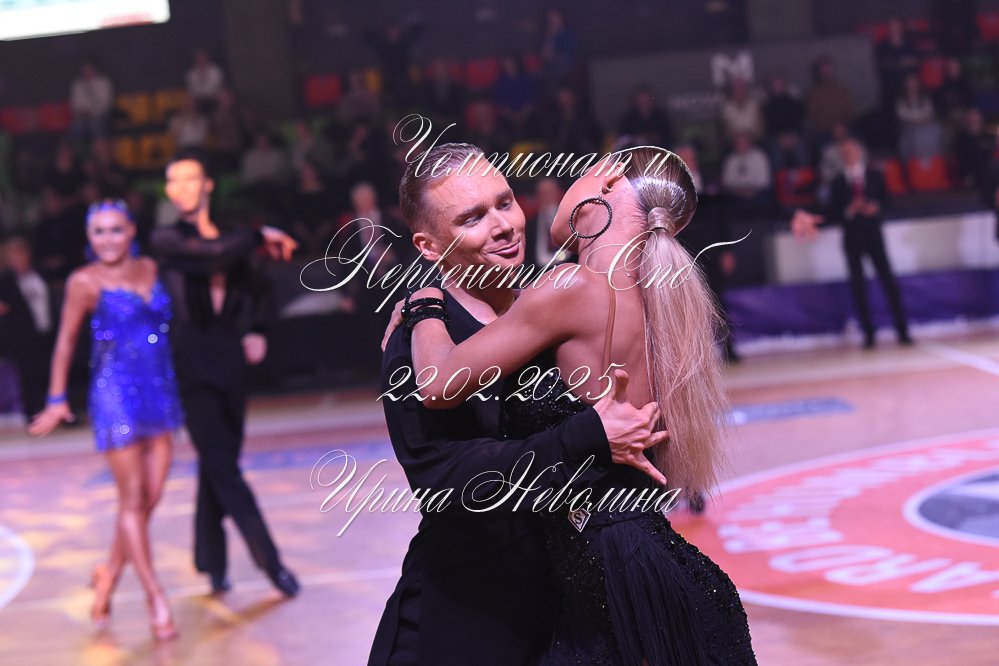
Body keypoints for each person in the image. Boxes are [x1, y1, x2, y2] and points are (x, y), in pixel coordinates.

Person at [406, 146, 756, 664]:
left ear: (604, 186)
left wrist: (423, 308)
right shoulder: (658, 293)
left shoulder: (569, 287)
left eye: (583, 173)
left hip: (614, 590)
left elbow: (438, 384)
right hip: (647, 570)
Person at [369, 143, 668, 665]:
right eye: (472, 218)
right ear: (429, 245)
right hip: (470, 618)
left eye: (505, 202)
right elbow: (440, 476)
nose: (504, 226)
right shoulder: (418, 340)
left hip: (571, 615)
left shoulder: (552, 302)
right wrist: (585, 439)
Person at [29, 200, 182, 640]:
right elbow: (65, 341)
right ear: (89, 238)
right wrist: (56, 398)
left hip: (160, 391)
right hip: (115, 395)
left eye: (115, 229)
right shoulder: (84, 281)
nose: (107, 239)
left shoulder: (151, 268)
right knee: (131, 500)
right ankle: (154, 595)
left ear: (131, 231)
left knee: (150, 499)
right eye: (98, 232)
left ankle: (108, 575)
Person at [151, 149, 301, 596]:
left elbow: (261, 286)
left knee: (218, 464)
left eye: (189, 178)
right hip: (190, 360)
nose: (181, 188)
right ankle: (271, 563)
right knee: (223, 466)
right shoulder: (166, 238)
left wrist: (257, 329)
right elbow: (213, 255)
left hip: (229, 358)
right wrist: (259, 235)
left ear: (207, 184)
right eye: (173, 181)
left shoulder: (237, 239)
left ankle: (211, 561)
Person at [793, 138, 913, 348]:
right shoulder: (838, 182)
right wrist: (850, 210)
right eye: (845, 152)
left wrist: (874, 208)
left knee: (888, 281)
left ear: (860, 152)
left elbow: (887, 202)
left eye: (852, 151)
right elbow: (833, 213)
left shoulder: (875, 176)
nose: (849, 155)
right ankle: (868, 333)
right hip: (852, 237)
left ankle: (902, 330)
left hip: (874, 235)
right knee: (858, 285)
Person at [0, 236, 57, 421]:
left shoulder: (40, 273)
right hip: (21, 336)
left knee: (50, 372)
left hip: (46, 330)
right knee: (28, 375)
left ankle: (56, 409)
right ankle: (33, 414)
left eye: (22, 254)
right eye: (15, 255)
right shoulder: (5, 280)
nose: (19, 259)